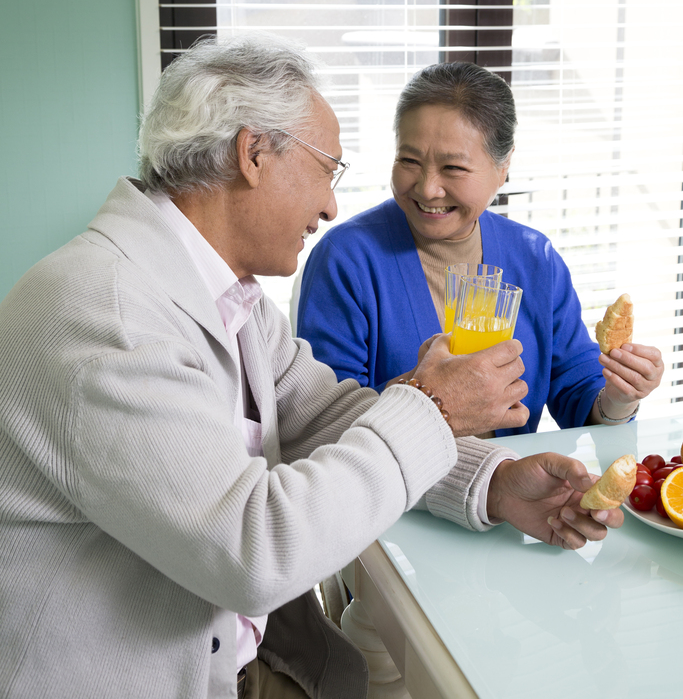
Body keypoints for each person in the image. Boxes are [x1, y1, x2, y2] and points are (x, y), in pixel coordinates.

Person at [0, 39, 623, 699]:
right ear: (253, 154)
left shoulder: (224, 297)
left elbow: (327, 415)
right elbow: (254, 551)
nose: (330, 206)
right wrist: (432, 408)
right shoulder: (108, 317)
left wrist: (493, 481)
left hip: (240, 659)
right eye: (327, 168)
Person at [297, 62, 663, 436]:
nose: (427, 189)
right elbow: (325, 421)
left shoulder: (536, 259)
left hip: (514, 488)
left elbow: (577, 389)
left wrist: (619, 397)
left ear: (503, 167)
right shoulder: (346, 259)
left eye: (453, 168)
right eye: (409, 161)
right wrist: (430, 397)